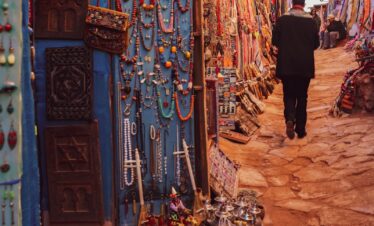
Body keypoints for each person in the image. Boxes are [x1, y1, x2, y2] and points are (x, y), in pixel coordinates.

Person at [272, 0, 319, 139]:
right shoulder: (311, 21)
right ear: (304, 4)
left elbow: (275, 41)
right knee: (302, 96)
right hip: (304, 65)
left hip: (286, 64)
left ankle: (290, 119)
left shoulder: (282, 20)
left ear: (292, 3)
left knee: (289, 94)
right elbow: (316, 44)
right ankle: (300, 129)